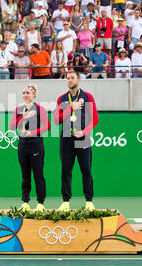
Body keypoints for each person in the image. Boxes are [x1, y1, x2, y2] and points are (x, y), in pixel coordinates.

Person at [54, 70, 99, 211]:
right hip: (66, 138)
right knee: (66, 170)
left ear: (79, 80)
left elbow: (95, 119)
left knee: (86, 170)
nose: (70, 80)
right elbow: (56, 120)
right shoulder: (62, 99)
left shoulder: (87, 97)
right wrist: (69, 108)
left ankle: (89, 201)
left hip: (83, 138)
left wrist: (85, 132)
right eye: (68, 78)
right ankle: (66, 202)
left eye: (72, 78)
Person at [10, 85, 51, 211]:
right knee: (25, 175)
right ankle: (25, 202)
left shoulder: (40, 109)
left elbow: (47, 126)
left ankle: (40, 203)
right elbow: (12, 126)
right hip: (22, 145)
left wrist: (32, 133)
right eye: (23, 93)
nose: (25, 95)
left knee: (38, 175)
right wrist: (23, 116)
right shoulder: (18, 109)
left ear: (34, 95)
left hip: (35, 144)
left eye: (28, 93)